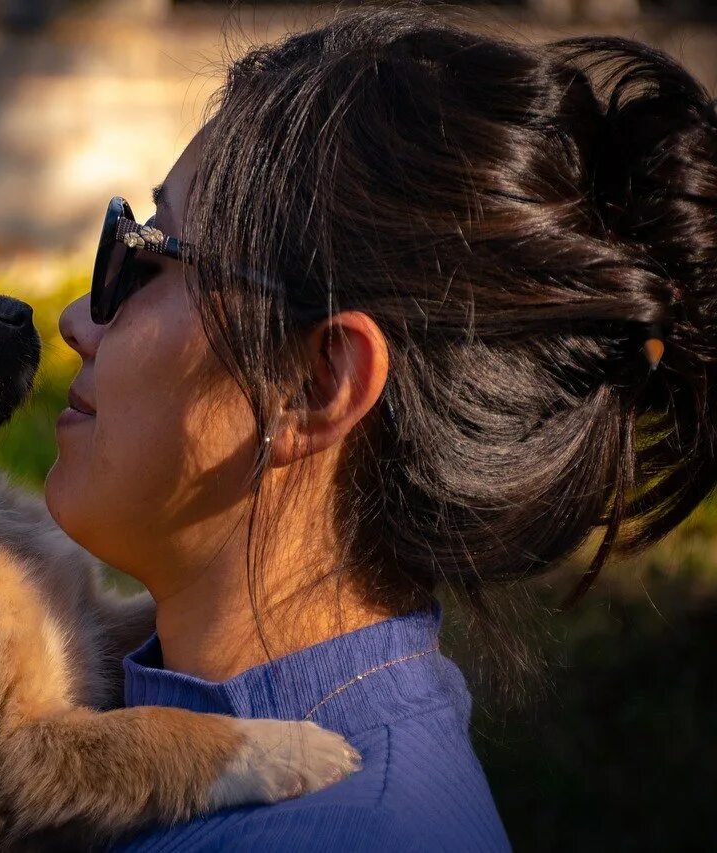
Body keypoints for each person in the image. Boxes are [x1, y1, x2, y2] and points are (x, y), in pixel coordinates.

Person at [42, 8, 717, 851]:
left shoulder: (340, 832)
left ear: (315, 382)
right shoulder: (137, 731)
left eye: (144, 257)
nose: (77, 318)